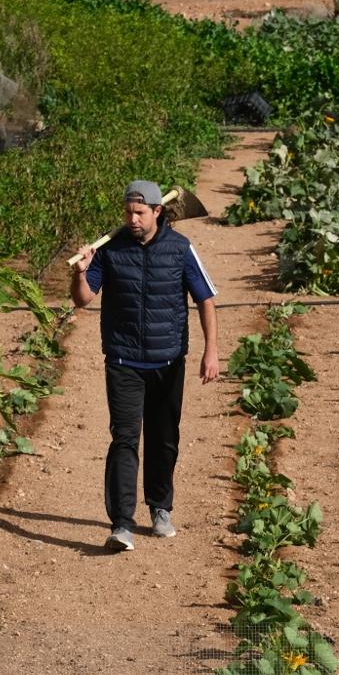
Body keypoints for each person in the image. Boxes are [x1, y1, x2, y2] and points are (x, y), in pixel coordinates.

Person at [70, 180, 220, 551]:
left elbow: (205, 300)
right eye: (128, 213)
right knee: (124, 439)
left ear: (158, 212)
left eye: (139, 213)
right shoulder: (110, 250)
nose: (132, 219)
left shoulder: (180, 249)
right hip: (123, 359)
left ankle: (160, 507)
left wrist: (211, 351)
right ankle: (121, 523)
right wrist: (80, 271)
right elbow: (84, 299)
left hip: (168, 360)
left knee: (164, 438)